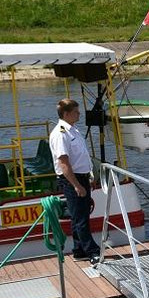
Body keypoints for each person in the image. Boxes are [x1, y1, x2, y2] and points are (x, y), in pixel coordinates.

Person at [49, 98, 100, 262]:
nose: (79, 114)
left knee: (81, 214)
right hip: (72, 178)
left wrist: (89, 175)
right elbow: (63, 163)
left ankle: (79, 249)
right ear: (66, 113)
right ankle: (93, 251)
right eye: (76, 112)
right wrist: (76, 185)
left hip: (81, 176)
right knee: (80, 218)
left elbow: (81, 156)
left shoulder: (73, 130)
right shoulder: (60, 134)